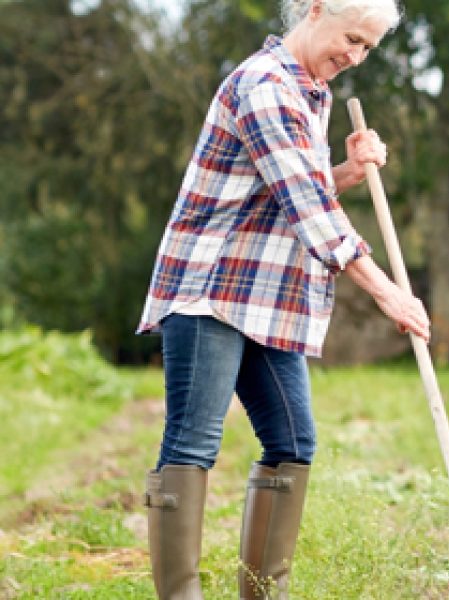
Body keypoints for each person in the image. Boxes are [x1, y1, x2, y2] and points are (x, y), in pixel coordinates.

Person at [134, 1, 426, 598]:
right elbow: (309, 208)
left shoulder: (309, 91)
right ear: (314, 9)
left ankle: (263, 593)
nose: (355, 56)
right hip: (212, 289)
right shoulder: (264, 84)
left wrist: (346, 169)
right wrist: (389, 292)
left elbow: (286, 185)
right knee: (192, 443)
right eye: (351, 37)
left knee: (292, 443)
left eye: (367, 48)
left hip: (266, 297)